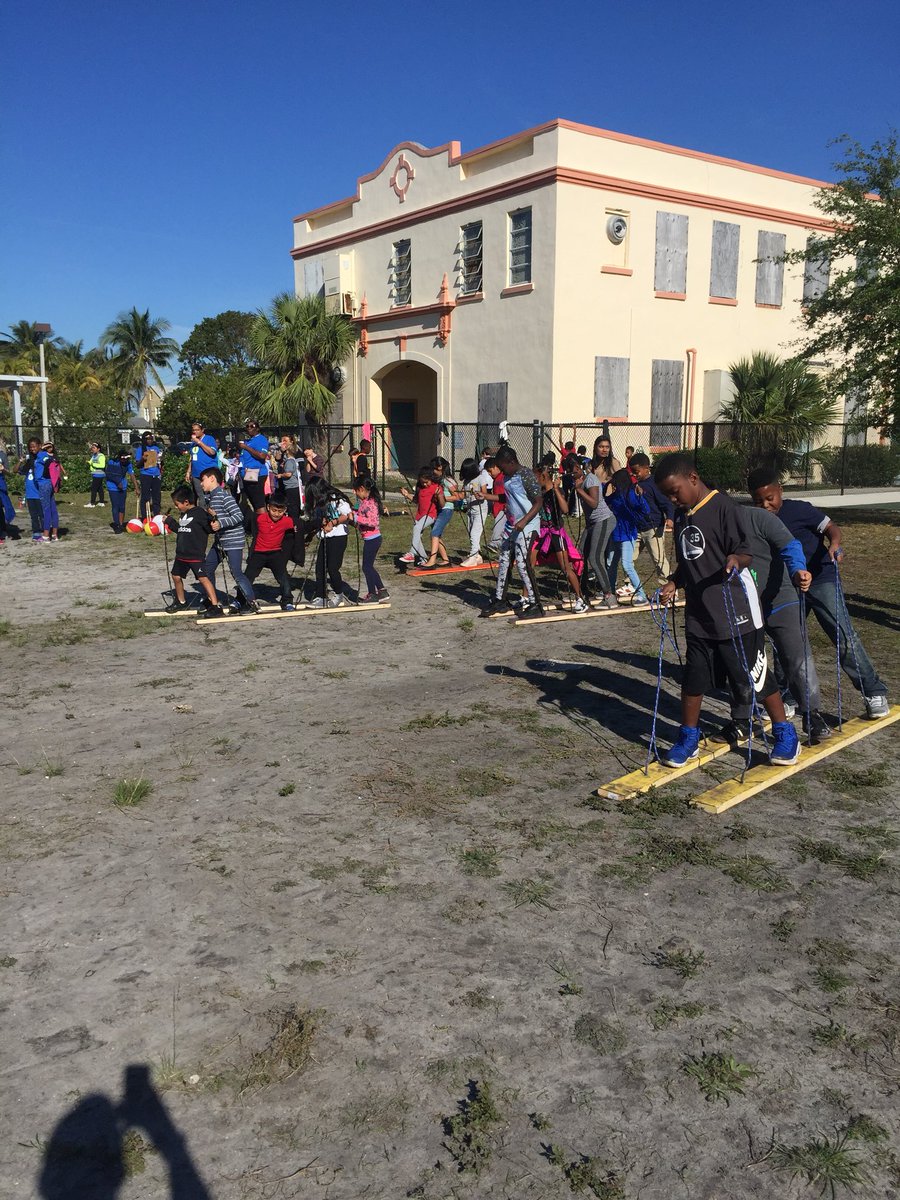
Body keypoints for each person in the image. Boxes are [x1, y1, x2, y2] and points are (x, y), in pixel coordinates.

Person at [654, 453, 799, 768]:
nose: (672, 499)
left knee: (755, 675)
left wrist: (736, 560)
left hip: (737, 611)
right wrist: (674, 582)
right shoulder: (681, 516)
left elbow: (744, 552)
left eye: (675, 492)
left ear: (693, 478)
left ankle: (784, 732)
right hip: (699, 615)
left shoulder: (724, 508)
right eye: (667, 495)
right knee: (693, 678)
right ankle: (688, 737)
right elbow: (689, 561)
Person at [748, 466, 890, 720]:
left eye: (770, 498)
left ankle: (873, 692)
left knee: (842, 635)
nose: (766, 505)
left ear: (780, 490)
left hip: (821, 579)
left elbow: (831, 527)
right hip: (787, 587)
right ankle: (788, 696)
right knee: (786, 642)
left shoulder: (800, 510)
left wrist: (834, 544)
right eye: (759, 501)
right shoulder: (756, 519)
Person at [716, 502, 825, 743]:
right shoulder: (712, 525)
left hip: (779, 599)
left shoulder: (759, 518)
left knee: (796, 656)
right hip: (743, 604)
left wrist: (798, 570)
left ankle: (812, 714)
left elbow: (790, 545)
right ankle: (741, 719)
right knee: (741, 662)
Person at [479, 446, 543, 619]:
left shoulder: (526, 475)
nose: (501, 470)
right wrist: (486, 496)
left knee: (522, 563)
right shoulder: (507, 476)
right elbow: (507, 498)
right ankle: (500, 599)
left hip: (527, 525)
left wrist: (524, 520)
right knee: (504, 560)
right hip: (511, 525)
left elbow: (538, 502)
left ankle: (535, 604)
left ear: (511, 462)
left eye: (503, 466)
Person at [198, 467, 260, 614]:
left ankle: (251, 603)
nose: (201, 483)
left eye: (203, 480)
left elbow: (239, 516)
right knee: (207, 569)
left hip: (233, 540)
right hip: (220, 541)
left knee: (236, 573)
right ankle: (212, 600)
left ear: (212, 478)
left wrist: (221, 523)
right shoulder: (210, 498)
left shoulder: (224, 496)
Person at [532, 462, 587, 612]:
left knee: (565, 567)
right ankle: (527, 598)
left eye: (536, 477)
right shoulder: (539, 492)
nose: (534, 480)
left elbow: (565, 509)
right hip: (541, 532)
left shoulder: (557, 491)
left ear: (544, 476)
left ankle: (580, 598)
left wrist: (556, 489)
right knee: (528, 564)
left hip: (555, 533)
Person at [163, 485, 222, 616]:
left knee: (203, 578)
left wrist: (214, 519)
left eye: (177, 504)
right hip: (181, 554)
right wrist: (169, 521)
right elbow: (181, 529)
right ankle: (181, 602)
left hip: (195, 555)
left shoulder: (200, 513)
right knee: (176, 576)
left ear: (186, 502)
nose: (176, 507)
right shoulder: (183, 514)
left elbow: (210, 528)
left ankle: (215, 605)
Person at [571, 456, 617, 607]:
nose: (571, 472)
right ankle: (582, 591)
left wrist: (579, 490)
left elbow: (594, 503)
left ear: (581, 467)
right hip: (591, 523)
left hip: (603, 520)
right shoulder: (578, 480)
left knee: (595, 558)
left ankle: (609, 596)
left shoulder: (590, 479)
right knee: (579, 555)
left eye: (574, 469)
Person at [605, 468, 652, 606]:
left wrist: (640, 497)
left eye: (615, 481)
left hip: (627, 534)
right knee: (610, 563)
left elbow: (646, 510)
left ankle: (641, 595)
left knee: (627, 565)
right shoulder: (615, 495)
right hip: (615, 534)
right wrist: (606, 486)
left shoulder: (631, 494)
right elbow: (605, 500)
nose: (614, 484)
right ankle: (611, 593)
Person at [306, 477, 353, 607]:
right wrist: (310, 536)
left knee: (333, 568)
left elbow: (346, 515)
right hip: (325, 537)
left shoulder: (336, 499)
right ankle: (321, 596)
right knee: (320, 567)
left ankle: (338, 595)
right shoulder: (319, 503)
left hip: (338, 537)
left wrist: (332, 523)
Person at [245, 493, 296, 611]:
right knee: (248, 577)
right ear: (268, 507)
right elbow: (247, 524)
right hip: (259, 552)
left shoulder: (287, 521)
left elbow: (301, 525)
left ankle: (287, 600)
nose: (276, 514)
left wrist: (320, 524)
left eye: (280, 511)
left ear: (285, 510)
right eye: (274, 510)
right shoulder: (259, 518)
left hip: (275, 553)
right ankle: (241, 599)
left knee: (283, 578)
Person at [629, 453, 673, 587]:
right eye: (632, 472)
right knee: (628, 558)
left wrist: (670, 518)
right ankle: (630, 584)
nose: (635, 474)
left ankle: (668, 586)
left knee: (658, 559)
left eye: (637, 471)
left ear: (646, 468)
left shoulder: (654, 484)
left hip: (653, 528)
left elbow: (666, 503)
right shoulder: (635, 485)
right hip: (637, 528)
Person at [417, 457, 462, 569]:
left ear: (441, 468)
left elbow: (458, 497)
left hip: (446, 509)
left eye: (435, 469)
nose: (433, 472)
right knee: (437, 534)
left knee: (435, 533)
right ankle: (445, 560)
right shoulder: (438, 480)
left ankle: (432, 561)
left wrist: (442, 497)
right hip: (437, 509)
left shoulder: (448, 481)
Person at [351, 476, 389, 603]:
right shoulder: (363, 501)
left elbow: (373, 522)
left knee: (366, 567)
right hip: (369, 539)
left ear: (362, 489)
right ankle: (382, 591)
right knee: (369, 567)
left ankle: (372, 594)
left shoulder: (371, 502)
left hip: (373, 539)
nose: (355, 493)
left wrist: (356, 518)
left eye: (356, 490)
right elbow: (358, 512)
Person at [399, 467, 440, 565]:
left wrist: (437, 496)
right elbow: (416, 500)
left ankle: (412, 553)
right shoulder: (420, 488)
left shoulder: (436, 487)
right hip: (420, 515)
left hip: (431, 515)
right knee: (417, 537)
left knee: (417, 528)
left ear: (431, 478)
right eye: (422, 482)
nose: (424, 484)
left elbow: (441, 501)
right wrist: (407, 495)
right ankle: (423, 558)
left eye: (426, 482)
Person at [458, 457, 493, 567]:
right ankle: (478, 556)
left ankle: (473, 557)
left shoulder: (480, 478)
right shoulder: (466, 481)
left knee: (475, 533)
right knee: (471, 532)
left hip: (480, 510)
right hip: (470, 510)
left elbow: (484, 493)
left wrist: (479, 495)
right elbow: (462, 495)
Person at [236, 419, 270, 515]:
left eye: (252, 426)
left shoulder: (261, 439)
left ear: (257, 428)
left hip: (256, 472)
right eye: (247, 426)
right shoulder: (248, 441)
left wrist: (246, 447)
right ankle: (257, 521)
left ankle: (264, 522)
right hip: (246, 472)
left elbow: (262, 456)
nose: (249, 428)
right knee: (253, 502)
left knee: (259, 503)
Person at [184, 421, 219, 506]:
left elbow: (212, 452)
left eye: (197, 430)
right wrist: (188, 472)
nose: (195, 432)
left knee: (210, 495)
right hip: (196, 474)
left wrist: (199, 442)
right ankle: (202, 511)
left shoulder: (209, 439)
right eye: (193, 430)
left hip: (208, 472)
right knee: (201, 496)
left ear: (202, 430)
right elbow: (192, 458)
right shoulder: (193, 443)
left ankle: (212, 510)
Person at [18, 439, 46, 542]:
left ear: (40, 446)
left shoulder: (42, 459)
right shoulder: (29, 463)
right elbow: (16, 470)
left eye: (34, 446)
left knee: (42, 515)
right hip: (30, 495)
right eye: (30, 447)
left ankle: (46, 531)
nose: (32, 449)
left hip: (40, 493)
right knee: (33, 516)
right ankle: (36, 532)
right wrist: (20, 461)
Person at [35, 442, 62, 541]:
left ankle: (46, 535)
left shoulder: (41, 455)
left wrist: (42, 449)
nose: (33, 449)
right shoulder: (52, 456)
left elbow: (47, 462)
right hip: (50, 483)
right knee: (52, 508)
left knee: (46, 509)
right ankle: (55, 534)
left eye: (35, 446)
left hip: (44, 483)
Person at [134, 431, 163, 518]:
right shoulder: (140, 449)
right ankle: (144, 516)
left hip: (156, 474)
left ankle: (157, 514)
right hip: (146, 474)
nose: (149, 440)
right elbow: (137, 465)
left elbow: (160, 461)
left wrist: (161, 463)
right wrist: (143, 459)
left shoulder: (156, 448)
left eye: (151, 439)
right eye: (147, 439)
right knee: (145, 496)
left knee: (156, 496)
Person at [104, 450, 133, 534]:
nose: (124, 460)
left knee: (122, 507)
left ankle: (121, 524)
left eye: (126, 459)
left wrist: (137, 487)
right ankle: (116, 525)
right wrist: (117, 482)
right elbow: (109, 474)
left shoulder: (128, 464)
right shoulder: (112, 462)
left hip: (123, 487)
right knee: (115, 506)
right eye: (122, 458)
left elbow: (132, 475)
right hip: (113, 487)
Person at [85, 442, 107, 508]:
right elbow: (91, 462)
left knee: (94, 488)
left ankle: (92, 503)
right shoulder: (94, 455)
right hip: (95, 474)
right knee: (99, 488)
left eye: (94, 448)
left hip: (99, 474)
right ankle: (101, 502)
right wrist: (89, 462)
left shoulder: (101, 456)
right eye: (92, 448)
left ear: (98, 449)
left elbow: (102, 465)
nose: (92, 449)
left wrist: (92, 464)